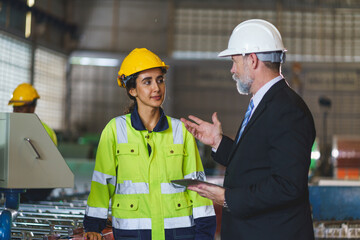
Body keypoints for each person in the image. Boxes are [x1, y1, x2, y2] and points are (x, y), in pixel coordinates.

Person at [181, 19, 316, 240]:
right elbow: (257, 161)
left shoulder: (287, 110)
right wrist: (218, 142)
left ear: (252, 60)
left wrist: (227, 198)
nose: (232, 70)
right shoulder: (267, 103)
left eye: (234, 61)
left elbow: (288, 185)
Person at [83, 48, 216, 240]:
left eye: (160, 80)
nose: (157, 88)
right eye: (147, 82)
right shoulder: (114, 130)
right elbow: (102, 183)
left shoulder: (181, 131)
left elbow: (197, 186)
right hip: (132, 234)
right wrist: (93, 226)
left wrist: (204, 234)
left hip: (179, 233)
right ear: (132, 90)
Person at [8, 83, 58, 202]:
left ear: (32, 107)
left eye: (20, 108)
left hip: (37, 185)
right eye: (14, 108)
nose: (16, 111)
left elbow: (41, 165)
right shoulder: (11, 128)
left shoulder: (43, 131)